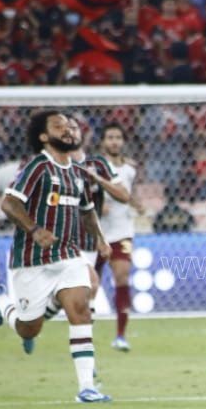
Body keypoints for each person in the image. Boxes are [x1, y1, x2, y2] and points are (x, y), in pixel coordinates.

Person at [0, 111, 112, 404]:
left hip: (68, 254)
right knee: (29, 328)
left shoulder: (77, 171)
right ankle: (2, 303)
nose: (68, 130)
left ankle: (86, 388)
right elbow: (9, 203)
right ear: (44, 136)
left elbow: (87, 210)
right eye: (59, 126)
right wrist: (34, 230)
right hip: (32, 259)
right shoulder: (37, 167)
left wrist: (99, 238)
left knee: (80, 308)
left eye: (70, 126)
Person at [80, 123, 145, 352]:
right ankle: (85, 330)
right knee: (90, 284)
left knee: (122, 276)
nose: (115, 141)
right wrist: (99, 206)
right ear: (103, 142)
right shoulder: (93, 167)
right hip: (96, 234)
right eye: (110, 137)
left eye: (118, 137)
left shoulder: (130, 169)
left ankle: (121, 335)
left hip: (122, 231)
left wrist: (137, 205)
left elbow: (129, 193)